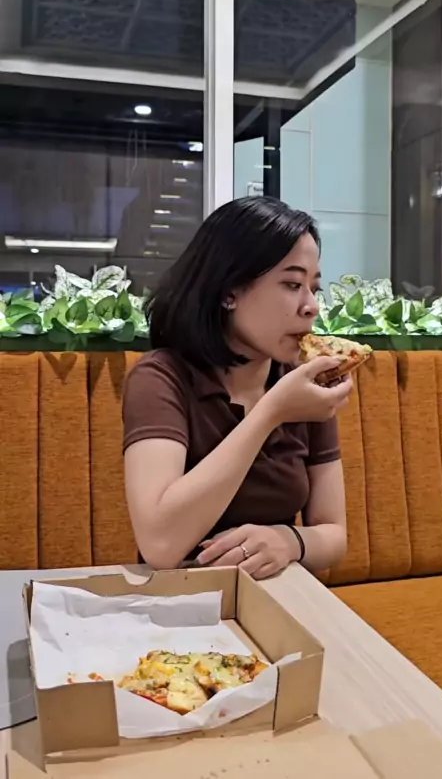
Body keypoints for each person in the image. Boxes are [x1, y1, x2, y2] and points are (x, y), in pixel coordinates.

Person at [123, 196, 353, 579]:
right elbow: (160, 545)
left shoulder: (306, 382)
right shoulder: (161, 378)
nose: (311, 306)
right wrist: (271, 412)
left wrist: (288, 541)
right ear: (229, 291)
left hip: (282, 592)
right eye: (292, 284)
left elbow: (334, 533)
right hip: (186, 596)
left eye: (314, 287)